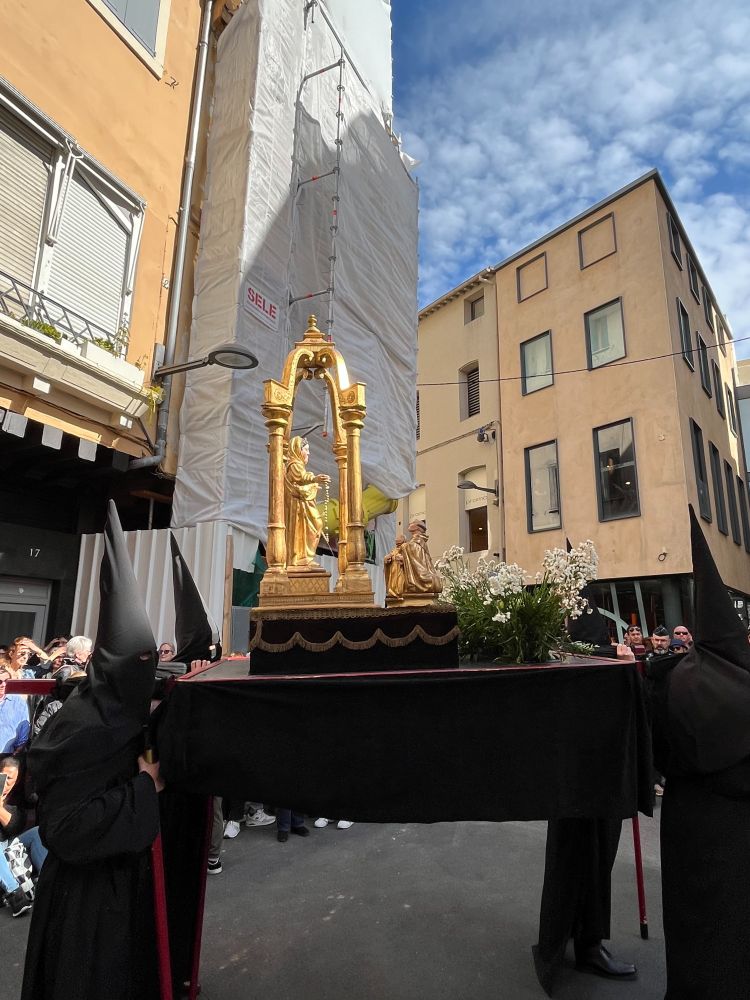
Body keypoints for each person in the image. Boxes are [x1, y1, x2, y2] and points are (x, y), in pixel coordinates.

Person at [22, 502, 164, 1000]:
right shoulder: (82, 726)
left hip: (114, 886)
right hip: (84, 902)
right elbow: (67, 829)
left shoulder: (111, 711)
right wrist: (144, 789)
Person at [648, 508, 750, 999]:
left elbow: (662, 749)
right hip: (733, 824)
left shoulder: (679, 679)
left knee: (694, 930)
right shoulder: (741, 683)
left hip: (689, 820)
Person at [533, 581, 639, 995]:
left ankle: (580, 939)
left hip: (586, 787)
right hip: (589, 790)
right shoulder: (590, 667)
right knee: (586, 864)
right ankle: (586, 944)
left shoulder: (582, 665)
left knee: (586, 863)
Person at [0, 755, 47, 917]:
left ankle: (46, 881)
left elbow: (14, 827)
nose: (6, 783)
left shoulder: (14, 800)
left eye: (10, 779)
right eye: (3, 777)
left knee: (37, 832)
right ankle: (16, 896)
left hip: (9, 843)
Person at [284, 436, 330, 567]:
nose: (308, 453)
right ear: (298, 450)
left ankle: (306, 557)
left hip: (302, 506)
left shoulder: (297, 465)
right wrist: (315, 479)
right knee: (316, 524)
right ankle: (301, 558)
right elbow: (302, 478)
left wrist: (312, 485)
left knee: (316, 524)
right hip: (297, 508)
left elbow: (300, 484)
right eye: (306, 449)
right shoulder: (294, 465)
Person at [400, 520, 443, 596]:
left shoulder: (416, 542)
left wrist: (403, 547)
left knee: (427, 579)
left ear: (417, 527)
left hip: (421, 574)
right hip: (421, 572)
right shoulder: (415, 542)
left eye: (413, 523)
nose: (410, 524)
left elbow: (418, 561)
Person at [0, 664, 30, 753]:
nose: (3, 685)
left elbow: (24, 727)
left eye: (7, 681)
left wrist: (19, 749)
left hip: (8, 755)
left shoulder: (18, 702)